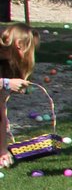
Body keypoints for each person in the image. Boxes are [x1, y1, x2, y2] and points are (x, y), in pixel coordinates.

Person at [1, 23, 40, 171]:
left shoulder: (5, 63)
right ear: (19, 44)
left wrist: (3, 150)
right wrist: (6, 83)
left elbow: (1, 112)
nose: (33, 54)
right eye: (31, 49)